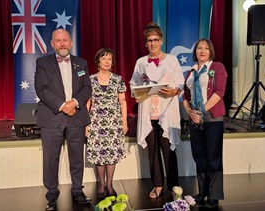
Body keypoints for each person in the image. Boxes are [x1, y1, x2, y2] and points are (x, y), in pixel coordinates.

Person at [34, 28, 92, 210]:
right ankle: (51, 194)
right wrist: (62, 105)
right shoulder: (42, 63)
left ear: (71, 42)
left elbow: (87, 89)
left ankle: (77, 190)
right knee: (51, 159)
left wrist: (74, 103)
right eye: (58, 40)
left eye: (65, 40)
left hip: (76, 117)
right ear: (52, 44)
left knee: (77, 158)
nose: (62, 43)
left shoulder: (81, 63)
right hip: (53, 117)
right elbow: (41, 89)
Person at [129, 22, 184, 199]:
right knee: (152, 150)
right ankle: (158, 185)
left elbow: (180, 84)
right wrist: (137, 92)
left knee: (168, 149)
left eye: (155, 40)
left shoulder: (172, 60)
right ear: (146, 43)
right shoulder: (141, 62)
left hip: (166, 112)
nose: (152, 43)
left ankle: (174, 186)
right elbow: (133, 84)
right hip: (148, 112)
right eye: (149, 40)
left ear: (161, 41)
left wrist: (174, 91)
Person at [182, 38, 228, 208]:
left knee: (213, 158)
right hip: (195, 119)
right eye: (199, 48)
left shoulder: (217, 67)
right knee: (200, 157)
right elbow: (185, 98)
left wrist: (202, 112)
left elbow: (219, 92)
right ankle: (202, 192)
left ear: (210, 52)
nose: (202, 51)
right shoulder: (191, 72)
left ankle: (214, 195)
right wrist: (190, 112)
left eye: (206, 48)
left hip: (212, 118)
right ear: (195, 52)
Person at [85, 48, 128, 199]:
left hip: (113, 123)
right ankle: (101, 184)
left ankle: (110, 184)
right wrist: (86, 124)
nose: (107, 61)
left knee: (111, 154)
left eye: (109, 59)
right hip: (96, 121)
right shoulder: (90, 79)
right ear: (98, 61)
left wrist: (124, 123)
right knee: (99, 154)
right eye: (104, 58)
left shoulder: (118, 79)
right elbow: (88, 102)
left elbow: (122, 101)